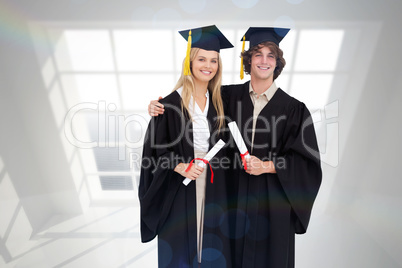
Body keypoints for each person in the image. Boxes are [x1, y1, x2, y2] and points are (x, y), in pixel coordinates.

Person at [148, 27, 322, 268]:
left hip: (273, 206)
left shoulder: (294, 109)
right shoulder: (226, 98)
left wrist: (268, 166)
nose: (264, 60)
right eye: (257, 54)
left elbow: (306, 163)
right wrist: (158, 106)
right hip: (231, 203)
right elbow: (193, 95)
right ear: (247, 61)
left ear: (278, 63)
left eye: (271, 55)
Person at [139, 25, 234, 267]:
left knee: (213, 244)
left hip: (215, 183)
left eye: (214, 61)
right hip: (180, 186)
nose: (208, 65)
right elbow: (155, 151)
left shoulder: (220, 102)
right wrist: (180, 166)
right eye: (202, 59)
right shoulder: (169, 104)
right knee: (181, 245)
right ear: (189, 62)